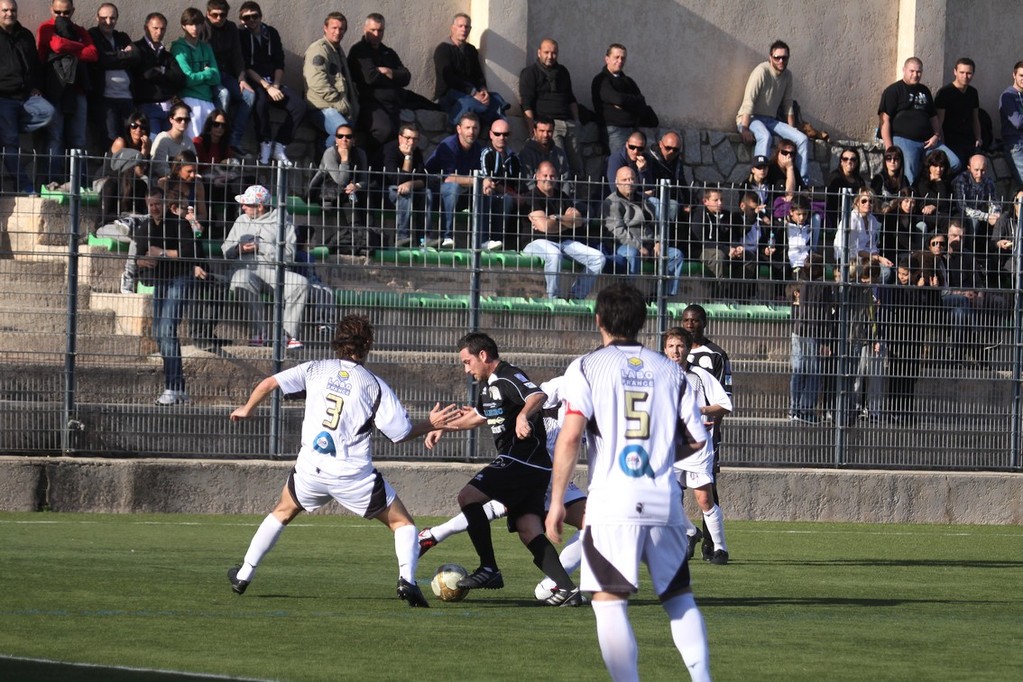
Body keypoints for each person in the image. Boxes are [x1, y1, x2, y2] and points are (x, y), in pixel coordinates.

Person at [226, 314, 459, 607]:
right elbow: (399, 434)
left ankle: (244, 574)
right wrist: (430, 423)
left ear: (337, 342)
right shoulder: (374, 385)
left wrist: (247, 408)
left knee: (283, 511)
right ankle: (407, 582)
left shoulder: (315, 369)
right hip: (353, 475)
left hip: (312, 467)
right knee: (403, 524)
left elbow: (269, 382)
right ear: (368, 345)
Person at [546, 282, 711, 682]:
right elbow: (697, 438)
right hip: (663, 499)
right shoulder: (671, 370)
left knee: (608, 602)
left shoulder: (586, 366)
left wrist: (555, 504)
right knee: (678, 598)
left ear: (598, 319)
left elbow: (569, 437)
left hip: (611, 501)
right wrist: (657, 460)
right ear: (642, 322)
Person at [424, 332, 581, 605]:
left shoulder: (507, 376)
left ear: (483, 355)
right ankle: (567, 590)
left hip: (523, 459)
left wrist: (522, 416)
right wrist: (440, 427)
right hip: (530, 467)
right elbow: (474, 417)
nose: (466, 369)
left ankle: (489, 568)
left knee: (467, 497)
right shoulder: (488, 389)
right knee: (527, 527)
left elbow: (537, 395)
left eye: (467, 361)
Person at [663, 327, 733, 565]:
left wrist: (701, 410)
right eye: (671, 346)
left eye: (680, 346)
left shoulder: (700, 376)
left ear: (687, 349)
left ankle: (720, 548)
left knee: (704, 499)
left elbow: (724, 404)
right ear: (665, 350)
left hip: (697, 446)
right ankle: (691, 532)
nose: (676, 351)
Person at [133, 186, 199, 405]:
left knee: (167, 329)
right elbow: (139, 255)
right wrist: (142, 260)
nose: (154, 208)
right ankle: (177, 387)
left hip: (180, 278)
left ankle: (173, 387)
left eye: (157, 203)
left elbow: (188, 254)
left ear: (165, 203)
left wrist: (160, 253)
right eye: (150, 204)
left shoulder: (179, 223)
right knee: (159, 333)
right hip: (160, 281)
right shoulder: (145, 226)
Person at [221, 184, 307, 350]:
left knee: (301, 283)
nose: (243, 207)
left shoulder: (282, 221)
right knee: (240, 279)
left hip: (273, 272)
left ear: (260, 206)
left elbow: (289, 254)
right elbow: (226, 250)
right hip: (244, 270)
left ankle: (286, 336)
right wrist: (239, 249)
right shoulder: (241, 220)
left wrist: (261, 247)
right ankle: (259, 333)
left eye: (247, 204)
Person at [347, 13, 434, 158]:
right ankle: (373, 165)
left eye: (380, 30)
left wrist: (388, 71)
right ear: (365, 29)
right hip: (371, 104)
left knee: (431, 107)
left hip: (395, 101)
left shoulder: (388, 52)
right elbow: (371, 78)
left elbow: (406, 76)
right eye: (373, 30)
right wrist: (394, 78)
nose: (376, 34)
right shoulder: (359, 51)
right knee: (384, 131)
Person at [522, 161, 605, 299]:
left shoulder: (562, 196)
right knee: (554, 255)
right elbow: (545, 227)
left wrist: (557, 218)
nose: (549, 179)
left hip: (564, 242)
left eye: (552, 176)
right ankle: (553, 298)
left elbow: (578, 221)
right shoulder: (532, 197)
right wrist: (567, 221)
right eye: (545, 175)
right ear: (537, 176)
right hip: (536, 241)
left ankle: (576, 295)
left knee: (598, 258)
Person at [37, 0, 98, 184]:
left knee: (78, 140)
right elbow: (56, 46)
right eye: (58, 12)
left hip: (77, 90)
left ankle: (78, 183)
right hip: (54, 89)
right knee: (55, 138)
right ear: (51, 10)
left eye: (66, 13)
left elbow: (93, 53)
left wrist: (69, 47)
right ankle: (51, 182)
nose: (62, 17)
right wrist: (79, 47)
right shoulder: (46, 28)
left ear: (73, 11)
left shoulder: (80, 30)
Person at [238, 2, 304, 167]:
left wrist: (275, 84)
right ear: (242, 20)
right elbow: (246, 66)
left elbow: (279, 62)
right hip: (255, 81)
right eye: (247, 17)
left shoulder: (271, 33)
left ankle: (280, 144)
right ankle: (265, 144)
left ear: (261, 16)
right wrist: (266, 87)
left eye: (255, 16)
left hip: (273, 81)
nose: (252, 20)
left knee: (298, 105)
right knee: (259, 103)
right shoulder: (241, 35)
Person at [736, 40, 810, 185]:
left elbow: (787, 103)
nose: (781, 60)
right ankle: (759, 183)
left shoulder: (788, 75)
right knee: (765, 136)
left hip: (770, 119)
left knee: (802, 139)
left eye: (784, 57)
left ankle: (802, 184)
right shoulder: (761, 71)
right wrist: (744, 128)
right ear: (770, 57)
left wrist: (791, 129)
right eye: (777, 57)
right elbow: (749, 100)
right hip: (750, 118)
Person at [878, 57, 960, 184]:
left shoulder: (924, 91)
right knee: (910, 173)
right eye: (912, 71)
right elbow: (884, 120)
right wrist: (890, 148)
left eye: (919, 72)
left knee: (954, 163)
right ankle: (910, 200)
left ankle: (928, 186)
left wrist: (936, 135)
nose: (915, 75)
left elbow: (934, 117)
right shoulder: (893, 91)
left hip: (929, 141)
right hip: (905, 140)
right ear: (904, 70)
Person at [605, 165, 684, 297]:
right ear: (617, 182)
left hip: (650, 245)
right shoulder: (612, 202)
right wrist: (639, 246)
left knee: (676, 255)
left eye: (632, 179)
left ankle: (664, 295)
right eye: (625, 180)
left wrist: (658, 241)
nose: (629, 182)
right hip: (624, 246)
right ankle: (627, 294)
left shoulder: (645, 200)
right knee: (632, 254)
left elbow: (657, 223)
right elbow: (618, 231)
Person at [0, 0, 53, 195]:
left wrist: (35, 87)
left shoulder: (25, 36)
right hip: (4, 98)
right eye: (5, 10)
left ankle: (9, 127)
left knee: (47, 112)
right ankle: (25, 186)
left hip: (25, 97)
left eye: (12, 10)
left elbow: (35, 65)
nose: (9, 14)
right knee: (11, 143)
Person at [312, 123, 381, 255]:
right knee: (346, 195)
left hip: (349, 189)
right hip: (326, 191)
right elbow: (340, 180)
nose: (344, 139)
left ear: (354, 140)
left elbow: (364, 179)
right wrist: (344, 160)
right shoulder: (330, 153)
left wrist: (356, 186)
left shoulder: (360, 154)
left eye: (348, 136)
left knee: (366, 194)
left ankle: (370, 233)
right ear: (336, 140)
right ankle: (357, 231)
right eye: (340, 136)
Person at [518, 38, 582, 175]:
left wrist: (577, 122)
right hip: (550, 126)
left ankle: (577, 196)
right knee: (558, 166)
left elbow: (571, 98)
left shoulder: (563, 72)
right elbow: (526, 104)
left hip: (569, 124)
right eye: (546, 52)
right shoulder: (530, 73)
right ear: (539, 52)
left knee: (577, 167)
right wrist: (532, 132)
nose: (550, 56)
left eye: (553, 53)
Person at [432, 13, 508, 127]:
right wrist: (473, 93)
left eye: (467, 27)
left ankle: (496, 133)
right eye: (460, 26)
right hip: (449, 94)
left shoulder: (471, 50)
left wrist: (483, 90)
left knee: (496, 99)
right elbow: (449, 78)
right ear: (453, 28)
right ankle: (453, 129)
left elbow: (478, 75)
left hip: (472, 92)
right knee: (469, 103)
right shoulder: (442, 50)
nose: (464, 29)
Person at [785, 257, 834, 423]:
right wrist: (826, 341)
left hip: (799, 331)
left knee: (799, 371)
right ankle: (806, 410)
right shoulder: (823, 287)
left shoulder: (802, 284)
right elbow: (826, 315)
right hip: (813, 333)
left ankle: (794, 409)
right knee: (813, 373)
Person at [424, 111, 483, 248]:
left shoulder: (477, 148)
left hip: (462, 192)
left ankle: (484, 239)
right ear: (459, 129)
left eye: (475, 128)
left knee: (487, 192)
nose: (471, 132)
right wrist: (478, 181)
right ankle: (446, 235)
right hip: (435, 190)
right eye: (467, 128)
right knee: (453, 187)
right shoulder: (450, 145)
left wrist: (484, 183)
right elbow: (449, 178)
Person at [303, 12, 358, 148]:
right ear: (325, 28)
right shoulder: (319, 49)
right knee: (342, 134)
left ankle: (324, 166)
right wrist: (341, 104)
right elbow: (317, 82)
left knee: (339, 140)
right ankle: (330, 168)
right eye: (334, 28)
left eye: (341, 29)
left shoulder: (337, 51)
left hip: (338, 108)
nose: (337, 32)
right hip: (322, 107)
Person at [87, 3, 138, 148]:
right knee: (110, 140)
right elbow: (100, 58)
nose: (108, 22)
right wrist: (123, 55)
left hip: (127, 98)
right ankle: (109, 170)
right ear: (97, 18)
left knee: (129, 139)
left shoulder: (122, 36)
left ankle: (127, 170)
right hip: (105, 99)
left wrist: (113, 58)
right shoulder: (92, 35)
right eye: (104, 18)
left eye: (112, 18)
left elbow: (136, 56)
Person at [205, 0, 253, 155]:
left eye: (222, 15)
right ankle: (217, 140)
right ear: (208, 14)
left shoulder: (231, 28)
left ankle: (234, 140)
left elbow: (237, 56)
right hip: (211, 75)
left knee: (249, 95)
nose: (219, 18)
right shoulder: (203, 27)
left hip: (227, 74)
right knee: (224, 95)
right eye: (215, 15)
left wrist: (242, 79)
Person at [590, 43, 657, 154]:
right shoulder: (601, 80)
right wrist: (630, 101)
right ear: (607, 59)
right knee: (619, 165)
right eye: (616, 57)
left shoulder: (628, 81)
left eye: (623, 58)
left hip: (633, 129)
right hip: (615, 131)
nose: (620, 61)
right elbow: (618, 99)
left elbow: (641, 101)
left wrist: (624, 103)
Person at [380, 122, 432, 248]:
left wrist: (410, 183)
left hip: (408, 190)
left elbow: (424, 180)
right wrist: (408, 157)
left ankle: (424, 238)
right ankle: (402, 237)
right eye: (408, 138)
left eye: (415, 139)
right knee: (404, 192)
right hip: (384, 191)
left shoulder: (417, 152)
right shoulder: (390, 150)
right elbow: (397, 180)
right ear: (400, 138)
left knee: (427, 193)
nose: (411, 142)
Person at [170, 7, 219, 138]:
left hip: (208, 100)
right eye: (190, 24)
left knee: (210, 140)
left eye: (198, 24)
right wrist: (207, 73)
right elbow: (187, 78)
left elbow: (216, 77)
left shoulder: (206, 47)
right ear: (183, 26)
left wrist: (200, 76)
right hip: (189, 99)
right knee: (194, 140)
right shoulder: (178, 48)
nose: (195, 28)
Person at [132, 12, 184, 136]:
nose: (159, 32)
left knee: (171, 146)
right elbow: (146, 75)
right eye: (155, 28)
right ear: (146, 28)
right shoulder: (137, 49)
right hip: (148, 107)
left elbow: (180, 79)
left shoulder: (166, 55)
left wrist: (162, 71)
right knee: (155, 146)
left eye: (162, 29)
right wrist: (166, 75)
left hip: (168, 108)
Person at [952, 153, 1000, 278]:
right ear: (969, 168)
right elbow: (962, 207)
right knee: (973, 221)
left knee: (1001, 220)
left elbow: (994, 201)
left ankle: (993, 259)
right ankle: (970, 256)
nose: (980, 174)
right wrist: (985, 216)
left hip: (982, 214)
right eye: (976, 170)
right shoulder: (961, 180)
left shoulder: (988, 181)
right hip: (965, 215)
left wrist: (995, 213)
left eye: (983, 170)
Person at [477, 117, 521, 251]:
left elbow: (518, 181)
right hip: (491, 194)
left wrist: (518, 195)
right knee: (500, 198)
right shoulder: (486, 153)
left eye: (505, 134)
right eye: (497, 134)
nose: (501, 137)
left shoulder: (514, 158)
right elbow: (488, 179)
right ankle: (492, 240)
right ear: (491, 134)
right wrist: (513, 194)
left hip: (509, 195)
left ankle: (512, 244)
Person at [99, 110, 150, 224]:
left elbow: (141, 172)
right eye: (134, 126)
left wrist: (145, 151)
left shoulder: (146, 145)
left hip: (128, 182)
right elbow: (120, 170)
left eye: (142, 127)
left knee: (143, 183)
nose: (138, 130)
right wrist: (143, 154)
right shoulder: (120, 142)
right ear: (128, 127)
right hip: (107, 180)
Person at [934, 57, 983, 168]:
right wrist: (942, 144)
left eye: (969, 73)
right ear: (955, 72)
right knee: (957, 166)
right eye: (962, 72)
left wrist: (978, 137)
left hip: (969, 139)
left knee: (979, 166)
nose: (965, 76)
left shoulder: (973, 92)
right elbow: (939, 121)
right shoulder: (944, 93)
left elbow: (975, 118)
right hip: (951, 141)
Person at [835, 188, 892, 280]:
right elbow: (854, 250)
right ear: (857, 202)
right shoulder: (851, 219)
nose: (868, 204)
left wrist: (876, 260)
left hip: (865, 258)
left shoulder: (872, 219)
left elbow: (872, 245)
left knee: (886, 270)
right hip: (849, 259)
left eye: (871, 201)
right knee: (884, 273)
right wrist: (879, 258)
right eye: (864, 201)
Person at [647, 130, 691, 226]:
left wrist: (688, 202)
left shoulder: (676, 162)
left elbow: (681, 182)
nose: (672, 152)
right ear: (660, 144)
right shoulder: (650, 159)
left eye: (675, 150)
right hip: (653, 198)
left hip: (671, 198)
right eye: (668, 148)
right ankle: (663, 235)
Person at [150, 100, 197, 179]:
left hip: (186, 181)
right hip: (165, 182)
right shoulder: (163, 138)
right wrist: (179, 176)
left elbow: (194, 166)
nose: (183, 122)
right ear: (171, 119)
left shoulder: (188, 141)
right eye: (179, 119)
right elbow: (158, 168)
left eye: (186, 120)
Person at [824, 147, 866, 231]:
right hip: (836, 217)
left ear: (857, 162)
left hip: (856, 215)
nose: (849, 162)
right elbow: (832, 201)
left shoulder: (859, 180)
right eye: (845, 159)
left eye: (853, 159)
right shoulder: (835, 178)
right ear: (841, 162)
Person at [998, 61, 1023, 188]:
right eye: (1021, 75)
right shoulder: (1008, 96)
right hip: (1016, 145)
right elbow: (1017, 122)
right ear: (1014, 75)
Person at [913, 149, 954, 220]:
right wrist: (935, 205)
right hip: (923, 216)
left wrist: (939, 181)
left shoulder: (947, 181)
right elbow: (928, 198)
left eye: (941, 166)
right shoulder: (921, 180)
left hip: (942, 215)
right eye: (935, 166)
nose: (938, 170)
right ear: (929, 166)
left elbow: (945, 204)